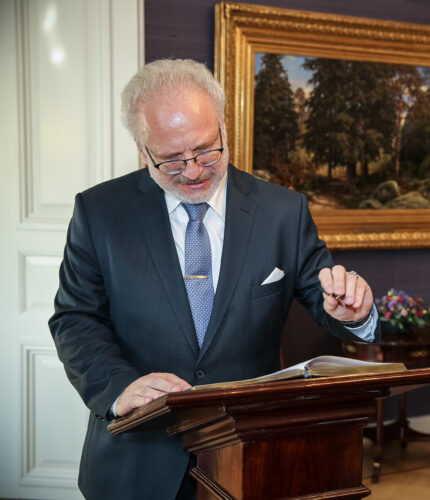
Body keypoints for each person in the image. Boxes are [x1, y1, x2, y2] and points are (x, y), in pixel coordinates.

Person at [48, 59, 379, 500]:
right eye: (170, 159)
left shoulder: (284, 211)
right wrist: (118, 387)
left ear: (224, 127)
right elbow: (74, 319)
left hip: (250, 459)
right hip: (136, 461)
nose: (193, 171)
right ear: (141, 148)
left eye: (206, 150)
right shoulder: (99, 213)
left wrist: (354, 312)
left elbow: (327, 299)